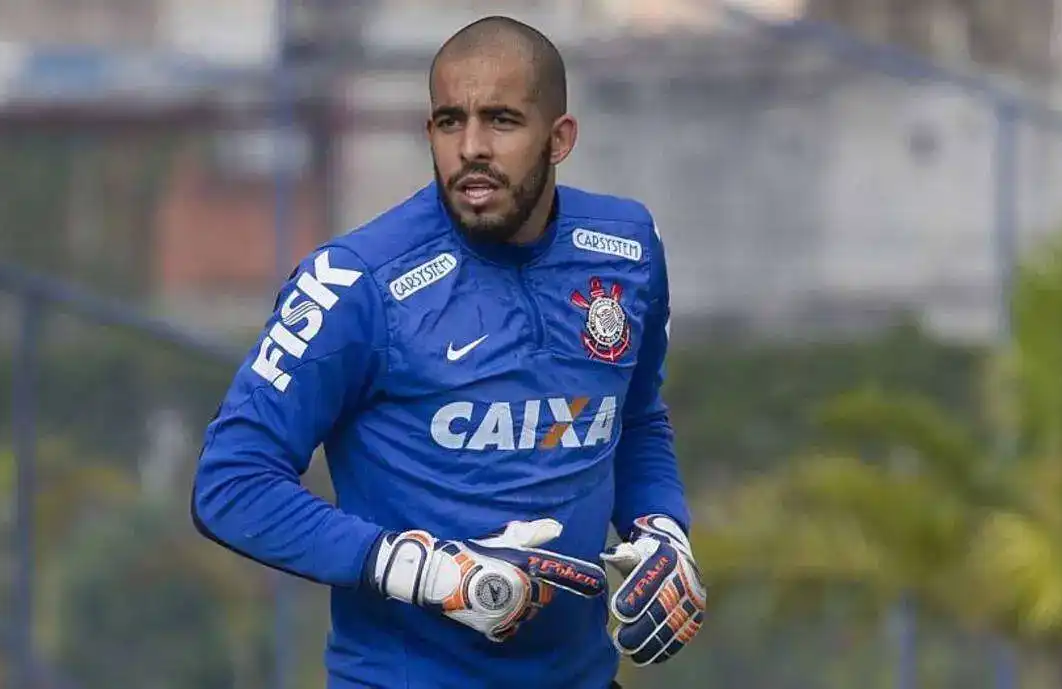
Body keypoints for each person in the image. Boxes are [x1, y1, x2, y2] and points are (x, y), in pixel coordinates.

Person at [191, 15, 706, 689]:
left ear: (560, 139)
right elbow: (231, 483)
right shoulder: (354, 282)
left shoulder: (630, 249)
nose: (471, 148)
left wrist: (664, 532)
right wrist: (429, 571)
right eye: (447, 121)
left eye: (500, 120)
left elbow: (633, 418)